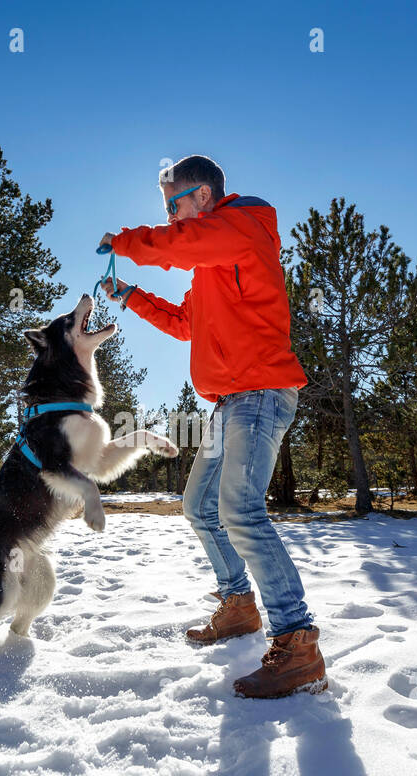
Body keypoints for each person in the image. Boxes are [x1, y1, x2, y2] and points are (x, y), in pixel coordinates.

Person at [98, 154, 324, 699]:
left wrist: (125, 240)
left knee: (241, 511)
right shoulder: (213, 264)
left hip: (260, 392)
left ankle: (298, 643)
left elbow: (178, 246)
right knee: (199, 506)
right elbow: (184, 323)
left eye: (173, 205)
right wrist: (132, 297)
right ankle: (240, 606)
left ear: (202, 196)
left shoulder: (242, 227)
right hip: (229, 403)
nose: (171, 218)